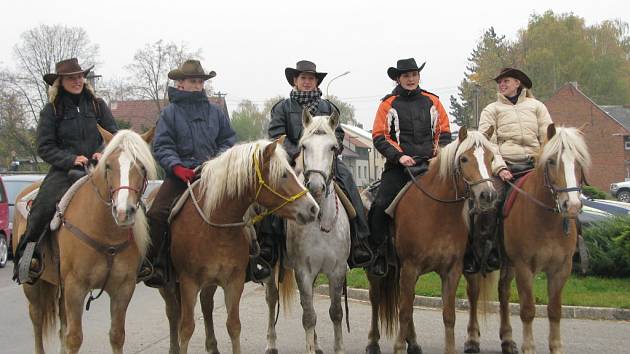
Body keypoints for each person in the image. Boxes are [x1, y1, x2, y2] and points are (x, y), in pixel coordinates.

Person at [13, 58, 118, 283]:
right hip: (65, 170)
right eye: (71, 78)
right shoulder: (51, 110)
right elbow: (44, 146)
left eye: (80, 76)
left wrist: (103, 151)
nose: (77, 81)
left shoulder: (98, 105)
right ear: (60, 81)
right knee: (41, 208)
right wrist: (71, 159)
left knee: (130, 200)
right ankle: (28, 257)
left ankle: (140, 259)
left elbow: (113, 134)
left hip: (99, 168)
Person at [264, 60, 373, 269]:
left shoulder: (328, 108)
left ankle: (360, 239)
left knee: (348, 181)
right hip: (292, 160)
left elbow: (338, 134)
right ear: (295, 81)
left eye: (311, 78)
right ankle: (268, 242)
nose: (307, 82)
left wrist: (334, 148)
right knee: (273, 191)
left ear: (316, 82)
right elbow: (276, 134)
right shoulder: (282, 108)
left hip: (324, 160)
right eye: (303, 78)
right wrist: (295, 153)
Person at [142, 59, 237, 287]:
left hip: (214, 175)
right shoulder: (169, 114)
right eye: (192, 81)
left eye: (200, 82)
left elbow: (229, 140)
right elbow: (162, 146)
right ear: (180, 84)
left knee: (245, 207)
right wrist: (177, 167)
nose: (197, 85)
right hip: (180, 176)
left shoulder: (216, 112)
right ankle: (154, 263)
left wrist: (217, 162)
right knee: (156, 213)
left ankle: (252, 257)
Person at [370, 58, 452, 276]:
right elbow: (380, 136)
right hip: (399, 167)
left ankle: (466, 251)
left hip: (430, 165)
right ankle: (378, 254)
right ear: (398, 78)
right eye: (406, 76)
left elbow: (444, 132)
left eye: (414, 75)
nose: (410, 79)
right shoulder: (388, 103)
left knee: (460, 199)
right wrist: (400, 157)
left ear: (419, 77)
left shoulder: (433, 101)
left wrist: (439, 156)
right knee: (380, 205)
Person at [467, 67, 553, 274]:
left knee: (563, 195)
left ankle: (575, 244)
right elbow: (488, 144)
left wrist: (543, 163)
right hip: (505, 167)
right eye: (500, 82)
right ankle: (486, 252)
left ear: (518, 83)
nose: (502, 85)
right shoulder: (491, 110)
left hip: (534, 165)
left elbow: (548, 136)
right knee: (487, 205)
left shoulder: (537, 107)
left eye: (506, 81)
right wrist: (500, 167)